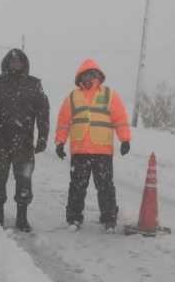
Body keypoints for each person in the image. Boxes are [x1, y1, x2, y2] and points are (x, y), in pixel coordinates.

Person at [0, 48, 50, 232]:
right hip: (0, 142)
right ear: (6, 63)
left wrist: (42, 137)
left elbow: (43, 113)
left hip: (24, 145)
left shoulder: (34, 85)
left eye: (19, 62)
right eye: (12, 61)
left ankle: (22, 218)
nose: (15, 64)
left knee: (24, 181)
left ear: (24, 64)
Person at [54, 58, 131, 233]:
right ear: (80, 77)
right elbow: (63, 122)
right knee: (77, 186)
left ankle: (109, 219)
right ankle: (74, 218)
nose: (89, 77)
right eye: (86, 74)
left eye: (92, 74)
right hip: (80, 151)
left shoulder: (109, 95)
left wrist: (125, 139)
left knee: (105, 186)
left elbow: (120, 119)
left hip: (102, 151)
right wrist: (60, 142)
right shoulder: (73, 97)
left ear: (97, 76)